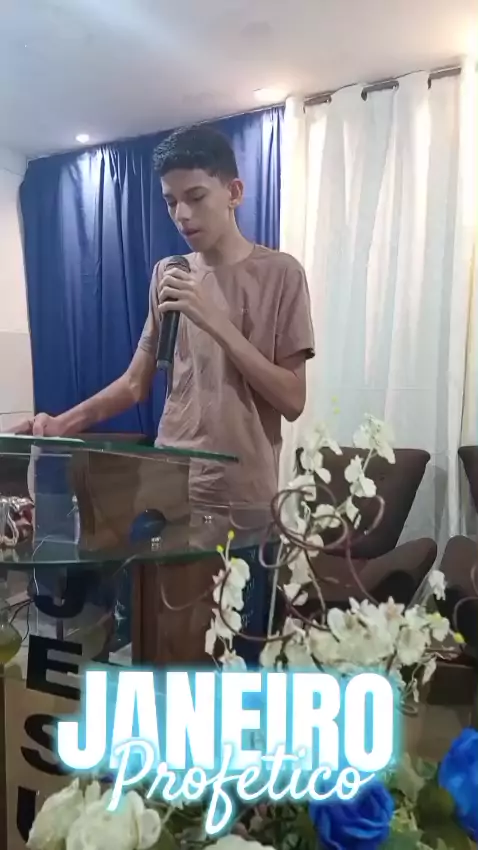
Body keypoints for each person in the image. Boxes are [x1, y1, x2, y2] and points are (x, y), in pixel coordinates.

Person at [13, 125, 315, 658]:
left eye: (195, 197)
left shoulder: (281, 275)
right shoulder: (168, 274)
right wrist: (61, 424)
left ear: (234, 192)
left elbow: (292, 399)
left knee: (238, 655)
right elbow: (136, 383)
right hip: (167, 491)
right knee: (157, 645)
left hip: (243, 500)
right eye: (171, 201)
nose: (182, 215)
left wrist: (215, 319)